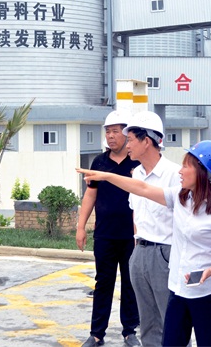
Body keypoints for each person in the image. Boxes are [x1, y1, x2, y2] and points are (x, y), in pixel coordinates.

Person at [77, 140, 211, 347]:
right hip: (178, 290)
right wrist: (106, 176)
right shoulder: (179, 198)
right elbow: (142, 188)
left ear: (202, 172)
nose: (180, 171)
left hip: (207, 294)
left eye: (186, 166)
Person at [77, 110, 141, 347]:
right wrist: (80, 227)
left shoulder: (136, 163)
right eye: (107, 132)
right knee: (103, 283)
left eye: (115, 131)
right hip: (105, 234)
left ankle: (130, 332)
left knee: (130, 284)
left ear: (126, 134)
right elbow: (90, 195)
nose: (110, 136)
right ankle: (96, 334)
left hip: (132, 236)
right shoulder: (99, 162)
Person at [122, 111, 182, 347]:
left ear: (146, 140)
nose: (127, 145)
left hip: (165, 253)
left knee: (172, 321)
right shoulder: (136, 174)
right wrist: (136, 250)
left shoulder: (175, 174)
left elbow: (185, 218)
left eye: (130, 140)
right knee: (147, 323)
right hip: (140, 251)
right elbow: (135, 213)